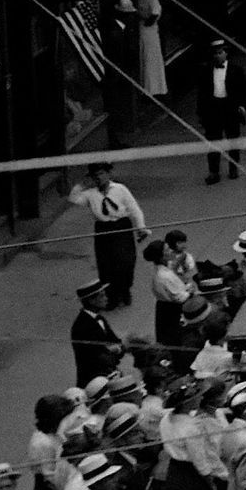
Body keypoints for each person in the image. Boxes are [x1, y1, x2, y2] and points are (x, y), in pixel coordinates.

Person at [75, 163, 146, 309]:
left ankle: (124, 290)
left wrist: (141, 227)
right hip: (103, 228)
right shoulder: (90, 194)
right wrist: (82, 184)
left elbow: (134, 208)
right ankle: (111, 296)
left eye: (101, 173)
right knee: (106, 264)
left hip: (121, 226)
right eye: (95, 175)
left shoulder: (120, 189)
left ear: (108, 174)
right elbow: (75, 199)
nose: (99, 178)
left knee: (126, 261)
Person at [196, 40, 246, 184]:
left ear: (226, 53)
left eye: (220, 53)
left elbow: (244, 90)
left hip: (230, 107)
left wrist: (242, 106)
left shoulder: (236, 70)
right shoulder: (206, 70)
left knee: (233, 140)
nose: (218, 56)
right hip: (213, 108)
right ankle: (214, 172)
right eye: (215, 54)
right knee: (214, 141)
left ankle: (233, 168)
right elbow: (202, 93)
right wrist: (201, 113)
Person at [72, 281, 126, 387]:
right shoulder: (81, 326)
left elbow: (116, 342)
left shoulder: (100, 319)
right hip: (93, 380)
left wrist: (118, 349)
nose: (106, 298)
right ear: (91, 300)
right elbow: (92, 356)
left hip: (108, 373)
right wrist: (113, 350)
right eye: (102, 296)